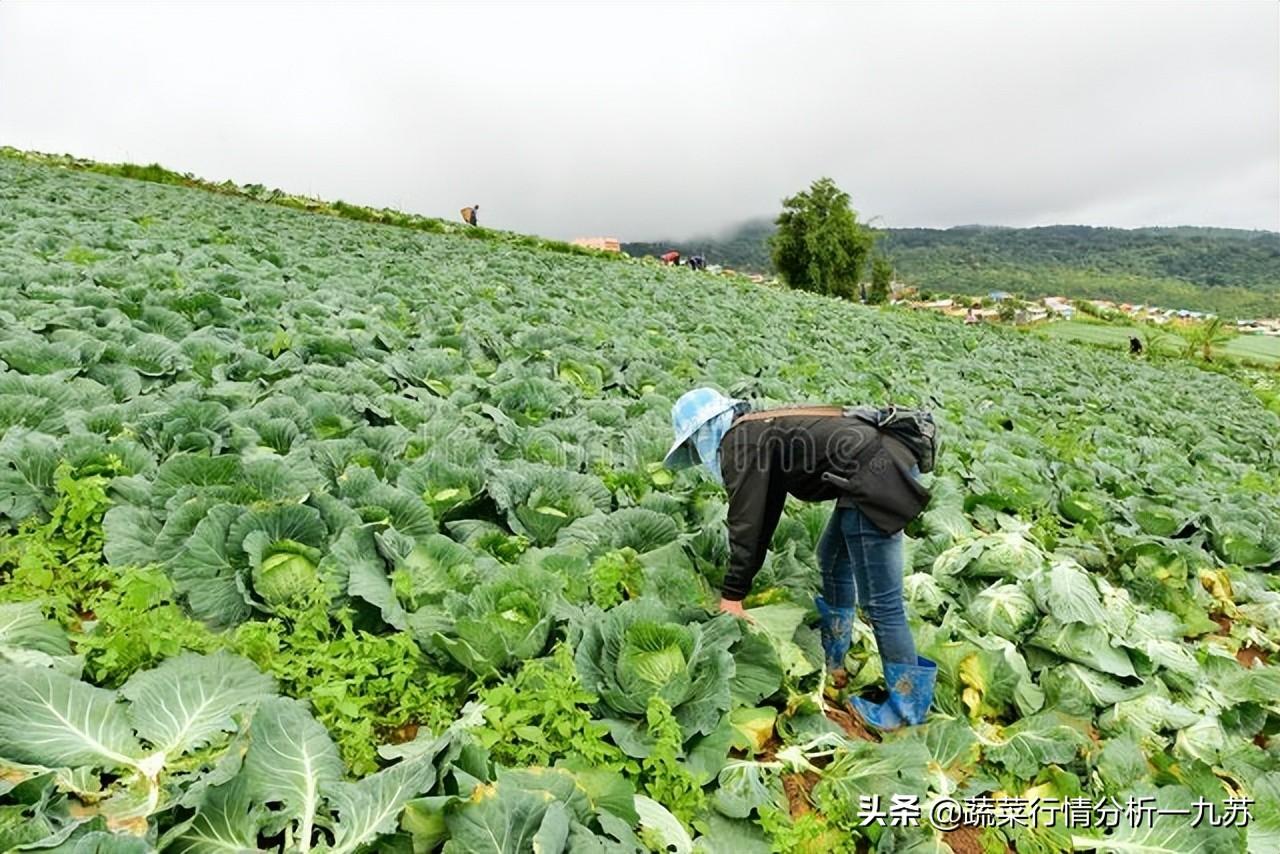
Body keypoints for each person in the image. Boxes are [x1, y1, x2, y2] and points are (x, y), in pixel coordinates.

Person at [662, 388, 937, 730]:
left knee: (882, 603)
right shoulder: (756, 431)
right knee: (832, 558)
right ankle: (834, 656)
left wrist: (732, 595)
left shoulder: (740, 441)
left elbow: (745, 523)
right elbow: (763, 514)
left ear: (705, 429)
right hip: (875, 467)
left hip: (877, 474)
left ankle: (907, 709)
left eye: (693, 444)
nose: (699, 453)